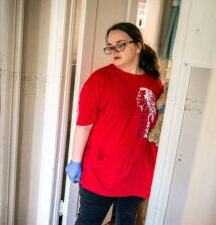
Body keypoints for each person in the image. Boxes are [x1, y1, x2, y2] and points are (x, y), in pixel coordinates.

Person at [65, 22, 164, 225]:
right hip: (101, 171)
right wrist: (76, 161)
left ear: (138, 46)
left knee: (126, 222)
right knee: (88, 222)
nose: (113, 51)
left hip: (138, 171)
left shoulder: (154, 82)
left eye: (120, 44)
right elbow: (84, 124)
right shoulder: (100, 80)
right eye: (110, 46)